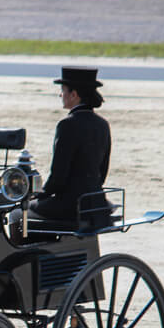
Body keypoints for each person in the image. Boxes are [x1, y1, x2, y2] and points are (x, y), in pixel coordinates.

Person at [29, 66, 112, 226]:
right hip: (95, 201)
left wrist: (40, 195)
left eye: (63, 91)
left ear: (74, 95)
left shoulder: (67, 124)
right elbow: (102, 171)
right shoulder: (103, 124)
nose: (61, 95)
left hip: (70, 205)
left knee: (18, 212)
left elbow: (58, 175)